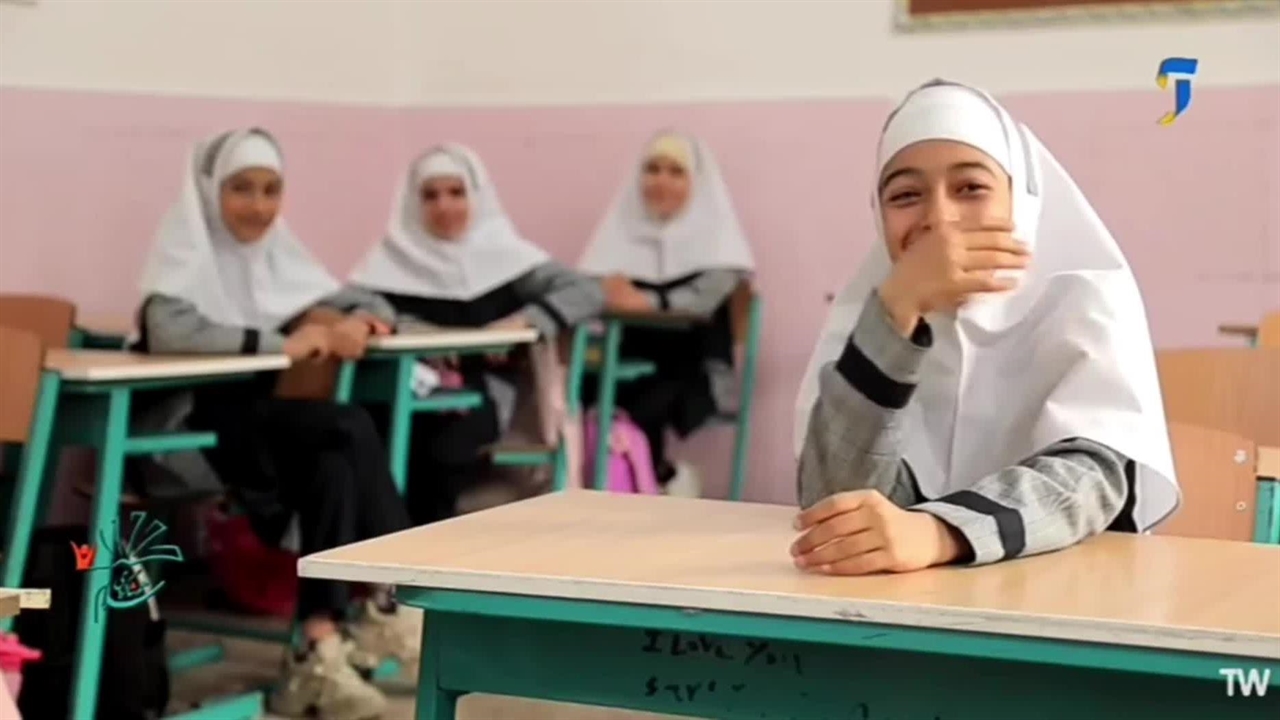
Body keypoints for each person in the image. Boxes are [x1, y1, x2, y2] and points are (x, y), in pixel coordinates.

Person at [791, 80, 1179, 576]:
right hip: (901, 604)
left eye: (970, 188)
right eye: (905, 195)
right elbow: (836, 508)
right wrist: (897, 314)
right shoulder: (872, 315)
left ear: (1021, 201)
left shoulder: (1082, 299)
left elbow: (1089, 482)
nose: (940, 220)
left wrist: (941, 532)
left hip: (1061, 595)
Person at [134, 128, 416, 720]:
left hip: (258, 431)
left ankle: (318, 645)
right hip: (187, 433)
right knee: (346, 426)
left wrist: (357, 323)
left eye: (271, 190)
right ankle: (390, 595)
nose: (259, 206)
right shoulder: (185, 256)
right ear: (210, 192)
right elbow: (166, 329)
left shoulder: (277, 258)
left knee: (333, 464)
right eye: (241, 188)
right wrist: (283, 343)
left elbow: (373, 303)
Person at [349, 143, 603, 522]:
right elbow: (353, 304)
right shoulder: (390, 260)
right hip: (409, 388)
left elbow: (587, 292)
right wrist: (409, 329)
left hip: (487, 392)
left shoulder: (508, 259)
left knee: (441, 446)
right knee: (370, 437)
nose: (444, 206)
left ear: (476, 197)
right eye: (430, 196)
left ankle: (423, 544)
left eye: (456, 193)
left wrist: (527, 321)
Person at [578, 131, 756, 495]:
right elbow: (590, 291)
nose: (661, 181)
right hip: (626, 361)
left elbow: (699, 301)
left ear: (697, 182)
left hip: (693, 368)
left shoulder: (720, 245)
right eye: (652, 169)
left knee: (641, 401)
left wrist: (642, 301)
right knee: (584, 392)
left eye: (676, 172)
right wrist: (606, 292)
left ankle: (656, 477)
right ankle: (645, 478)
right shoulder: (619, 236)